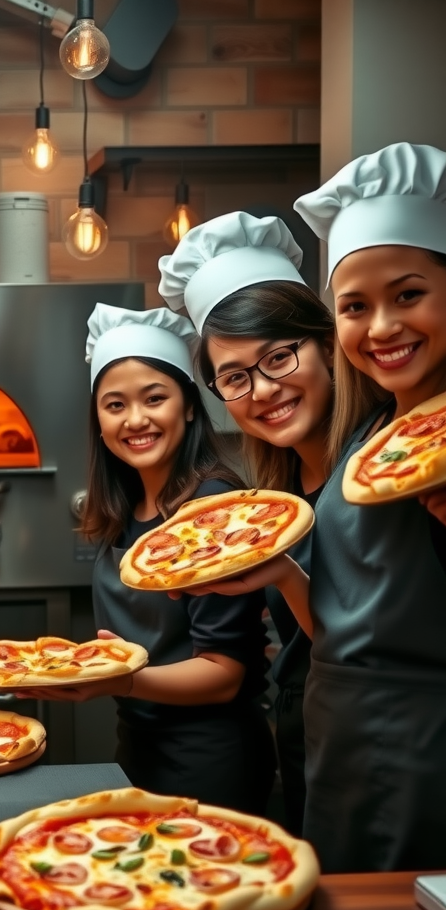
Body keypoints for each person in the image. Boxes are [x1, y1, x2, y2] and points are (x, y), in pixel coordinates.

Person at [27, 305, 275, 813]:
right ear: (98, 420)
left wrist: (118, 680)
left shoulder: (212, 511)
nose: (135, 420)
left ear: (187, 406)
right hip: (139, 748)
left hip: (212, 760)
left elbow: (223, 672)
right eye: (114, 405)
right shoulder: (126, 508)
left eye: (154, 399)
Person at [288, 142, 446, 870]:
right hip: (339, 731)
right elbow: (347, 616)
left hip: (425, 741)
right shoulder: (370, 438)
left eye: (408, 294)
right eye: (355, 307)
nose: (381, 327)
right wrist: (277, 573)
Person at [157, 211, 340, 835]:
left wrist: (284, 577)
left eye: (279, 357)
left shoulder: (371, 478)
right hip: (308, 740)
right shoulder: (279, 489)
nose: (261, 391)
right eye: (234, 377)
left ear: (326, 343)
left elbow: (364, 649)